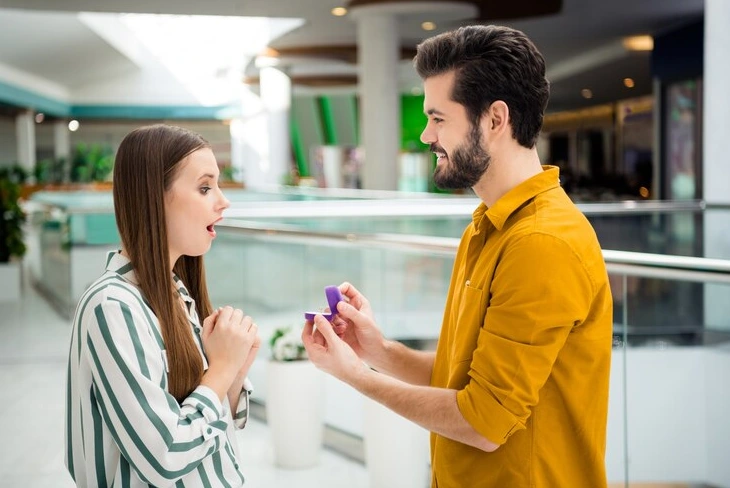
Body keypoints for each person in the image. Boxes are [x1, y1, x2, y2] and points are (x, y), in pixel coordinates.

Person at [302, 25, 613, 487]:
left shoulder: (542, 243)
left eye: (439, 117)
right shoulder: (487, 226)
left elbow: (484, 422)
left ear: (494, 119)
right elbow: (464, 378)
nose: (427, 135)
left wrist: (357, 378)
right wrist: (376, 351)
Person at [65, 124, 261, 487]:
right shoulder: (112, 306)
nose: (223, 200)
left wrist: (233, 374)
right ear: (154, 197)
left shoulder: (175, 293)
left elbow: (208, 425)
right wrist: (221, 369)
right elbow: (165, 456)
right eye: (205, 187)